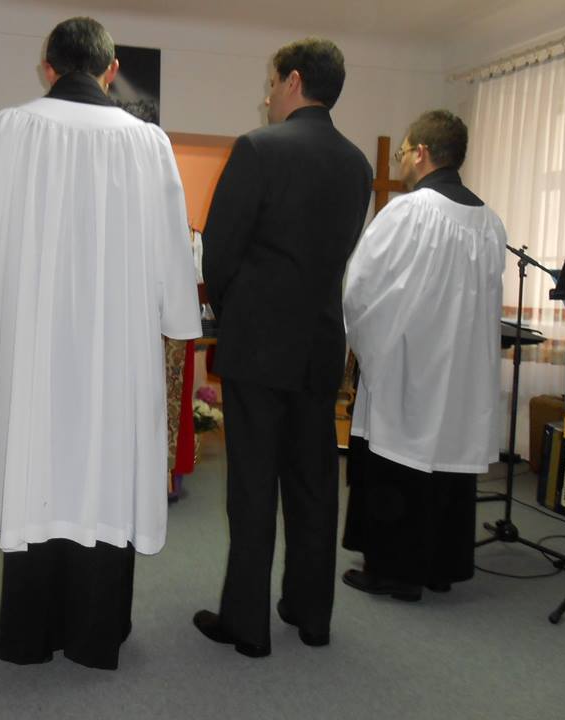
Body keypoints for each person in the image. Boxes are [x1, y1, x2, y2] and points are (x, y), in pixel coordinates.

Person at [0, 16, 201, 670]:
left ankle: (30, 635)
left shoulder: (8, 128)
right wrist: (179, 318)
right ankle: (96, 636)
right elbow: (172, 243)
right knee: (105, 466)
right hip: (117, 343)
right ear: (111, 69)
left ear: (48, 67)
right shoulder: (148, 141)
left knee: (40, 461)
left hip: (34, 337)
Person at [194, 38, 372, 656]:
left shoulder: (258, 148)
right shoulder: (357, 164)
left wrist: (232, 309)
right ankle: (310, 613)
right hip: (320, 343)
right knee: (314, 482)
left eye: (271, 83)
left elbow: (218, 253)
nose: (267, 96)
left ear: (293, 81)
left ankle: (247, 626)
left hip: (257, 344)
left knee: (252, 486)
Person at [341, 110, 506, 600]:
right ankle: (440, 568)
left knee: (398, 464)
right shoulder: (490, 222)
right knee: (447, 465)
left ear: (421, 153)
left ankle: (395, 573)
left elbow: (362, 287)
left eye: (403, 151)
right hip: (463, 374)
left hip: (409, 368)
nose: (400, 161)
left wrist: (365, 349)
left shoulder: (409, 212)